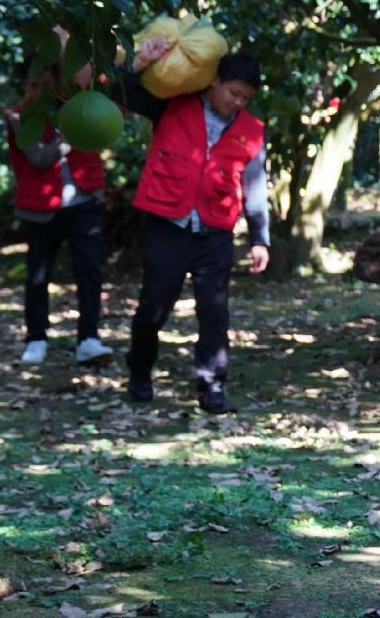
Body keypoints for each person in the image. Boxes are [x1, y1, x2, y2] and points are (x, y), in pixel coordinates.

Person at [114, 40, 271, 414]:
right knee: (153, 307)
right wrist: (139, 64)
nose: (238, 103)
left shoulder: (251, 130)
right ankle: (139, 372)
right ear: (214, 82)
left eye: (245, 98)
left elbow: (254, 183)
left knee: (215, 312)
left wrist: (259, 237)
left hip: (215, 230)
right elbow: (122, 92)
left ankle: (212, 387)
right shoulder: (172, 104)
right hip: (168, 224)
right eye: (234, 93)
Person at [4, 29, 110, 366]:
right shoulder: (21, 117)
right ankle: (36, 338)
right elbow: (38, 157)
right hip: (40, 209)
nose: (39, 89)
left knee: (89, 270)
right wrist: (70, 136)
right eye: (32, 84)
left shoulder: (81, 103)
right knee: (38, 276)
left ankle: (89, 338)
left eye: (45, 80)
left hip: (84, 202)